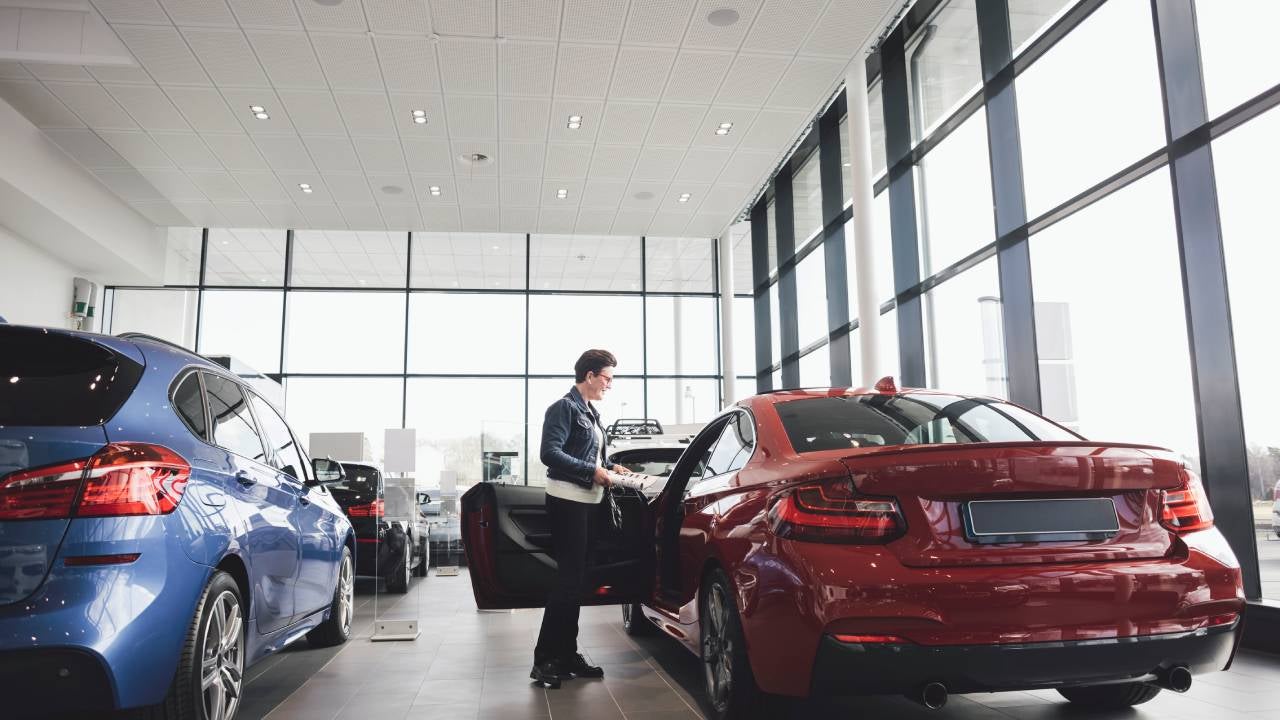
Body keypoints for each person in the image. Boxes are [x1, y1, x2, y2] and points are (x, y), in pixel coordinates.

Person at [530, 349, 632, 688]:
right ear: (589, 376)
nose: (609, 385)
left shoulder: (591, 413)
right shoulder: (563, 408)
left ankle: (567, 655)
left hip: (589, 503)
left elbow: (592, 455)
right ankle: (545, 660)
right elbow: (550, 453)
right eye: (607, 378)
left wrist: (611, 467)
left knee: (578, 583)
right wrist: (592, 471)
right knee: (568, 581)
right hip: (568, 502)